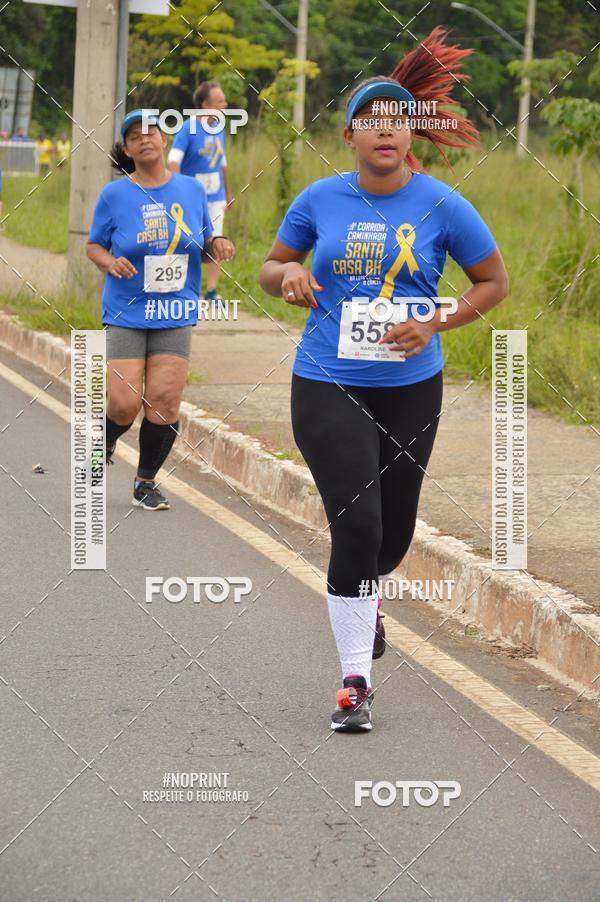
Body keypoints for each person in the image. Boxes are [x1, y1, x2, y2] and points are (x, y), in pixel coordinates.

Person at [259, 27, 509, 733]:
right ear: (350, 136)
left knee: (391, 536)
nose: (385, 132)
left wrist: (436, 322)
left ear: (412, 137)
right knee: (356, 521)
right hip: (326, 379)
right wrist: (290, 277)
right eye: (371, 121)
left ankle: (363, 607)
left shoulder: (444, 205)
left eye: (398, 121)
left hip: (410, 386)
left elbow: (493, 281)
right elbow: (271, 265)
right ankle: (354, 682)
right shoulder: (319, 199)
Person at [87, 109, 235, 510]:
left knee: (165, 399)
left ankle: (145, 481)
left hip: (174, 310)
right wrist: (108, 262)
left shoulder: (190, 190)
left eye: (150, 131)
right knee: (123, 402)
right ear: (127, 149)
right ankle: (105, 441)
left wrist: (217, 247)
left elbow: (203, 247)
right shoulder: (115, 195)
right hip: (127, 308)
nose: (144, 138)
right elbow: (94, 245)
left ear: (163, 139)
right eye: (134, 136)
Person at [168, 81, 233, 302]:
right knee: (188, 242)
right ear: (205, 105)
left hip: (216, 196)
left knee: (216, 240)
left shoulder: (219, 128)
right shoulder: (188, 128)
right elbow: (173, 161)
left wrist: (228, 192)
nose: (225, 105)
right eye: (220, 101)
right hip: (191, 199)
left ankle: (211, 291)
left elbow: (222, 162)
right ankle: (180, 288)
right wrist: (176, 192)